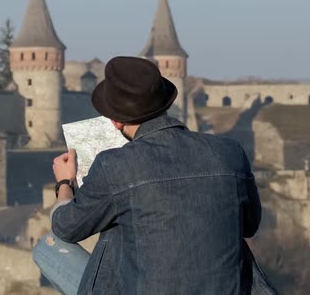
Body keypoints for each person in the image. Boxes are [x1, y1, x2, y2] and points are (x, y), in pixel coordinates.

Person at [32, 57, 271, 294]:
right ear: (165, 105)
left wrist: (65, 182)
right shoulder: (229, 152)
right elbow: (249, 225)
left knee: (48, 248)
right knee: (129, 216)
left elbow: (66, 228)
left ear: (115, 122)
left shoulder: (115, 164)